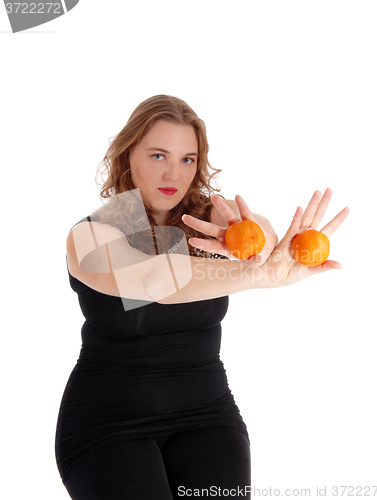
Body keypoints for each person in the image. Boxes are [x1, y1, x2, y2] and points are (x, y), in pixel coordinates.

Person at [55, 94, 349, 500]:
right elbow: (152, 282)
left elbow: (255, 233)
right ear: (128, 156)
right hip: (106, 425)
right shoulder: (90, 235)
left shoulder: (209, 221)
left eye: (188, 159)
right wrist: (258, 275)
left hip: (206, 416)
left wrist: (261, 247)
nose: (173, 172)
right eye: (158, 155)